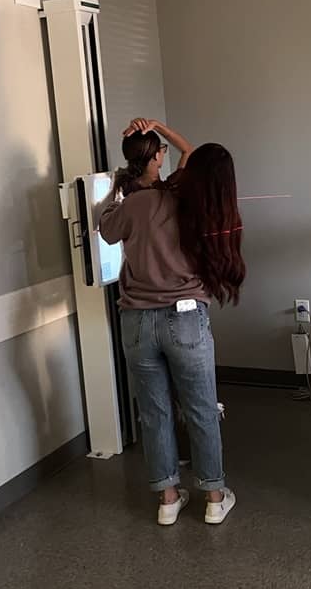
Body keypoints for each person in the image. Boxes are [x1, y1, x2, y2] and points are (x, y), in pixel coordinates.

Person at [100, 118, 245, 526]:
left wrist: (116, 189)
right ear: (157, 158)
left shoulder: (130, 206)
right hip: (185, 320)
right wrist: (160, 126)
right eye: (161, 149)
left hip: (137, 322)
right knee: (201, 410)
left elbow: (106, 229)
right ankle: (213, 497)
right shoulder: (184, 195)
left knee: (154, 413)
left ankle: (167, 499)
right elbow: (192, 152)